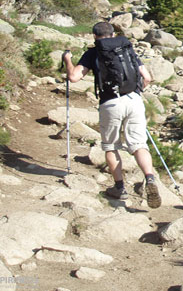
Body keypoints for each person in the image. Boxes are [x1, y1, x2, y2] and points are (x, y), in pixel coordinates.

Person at [62, 21, 161, 208]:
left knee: (111, 146)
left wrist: (68, 59)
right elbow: (147, 78)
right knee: (139, 144)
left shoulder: (93, 52)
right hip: (134, 100)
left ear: (94, 36)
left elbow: (74, 77)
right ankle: (149, 178)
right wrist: (136, 91)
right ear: (113, 34)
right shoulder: (126, 48)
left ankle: (119, 188)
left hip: (110, 102)